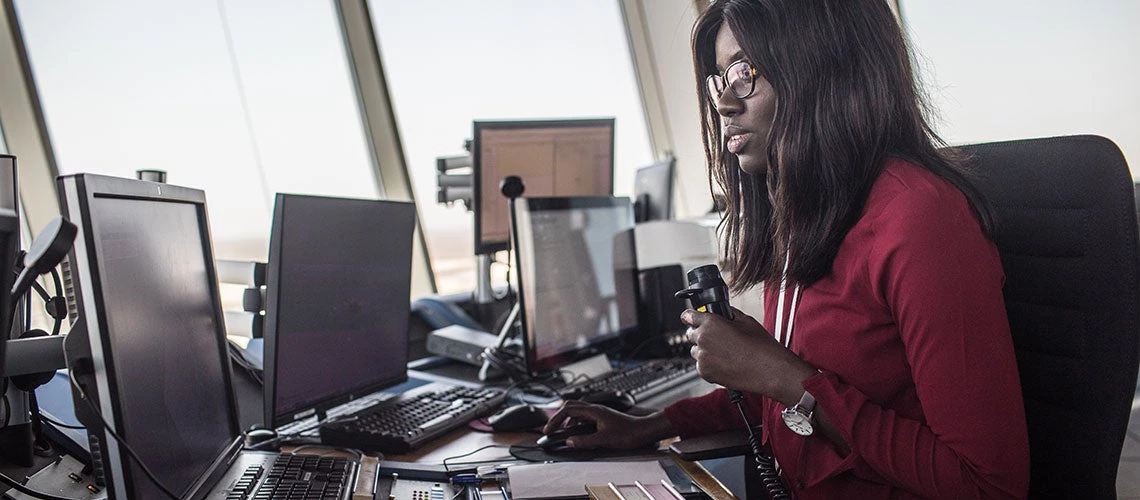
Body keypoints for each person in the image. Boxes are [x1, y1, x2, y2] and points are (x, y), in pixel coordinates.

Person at [544, 0, 1030, 497]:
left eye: (744, 72)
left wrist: (784, 377)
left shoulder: (921, 220)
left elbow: (990, 485)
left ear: (823, 66)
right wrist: (650, 423)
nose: (724, 103)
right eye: (718, 79)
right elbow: (803, 400)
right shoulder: (809, 213)